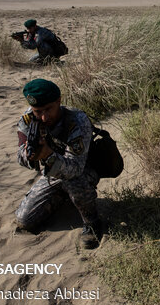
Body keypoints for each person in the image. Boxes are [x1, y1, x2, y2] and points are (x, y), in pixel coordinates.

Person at [15, 79, 102, 248]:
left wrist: (48, 155)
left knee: (73, 181)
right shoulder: (28, 120)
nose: (44, 117)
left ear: (59, 101)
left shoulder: (77, 121)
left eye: (48, 109)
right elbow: (20, 156)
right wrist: (29, 155)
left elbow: (75, 168)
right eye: (38, 111)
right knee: (24, 220)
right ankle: (63, 196)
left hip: (83, 170)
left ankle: (92, 222)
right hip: (53, 173)